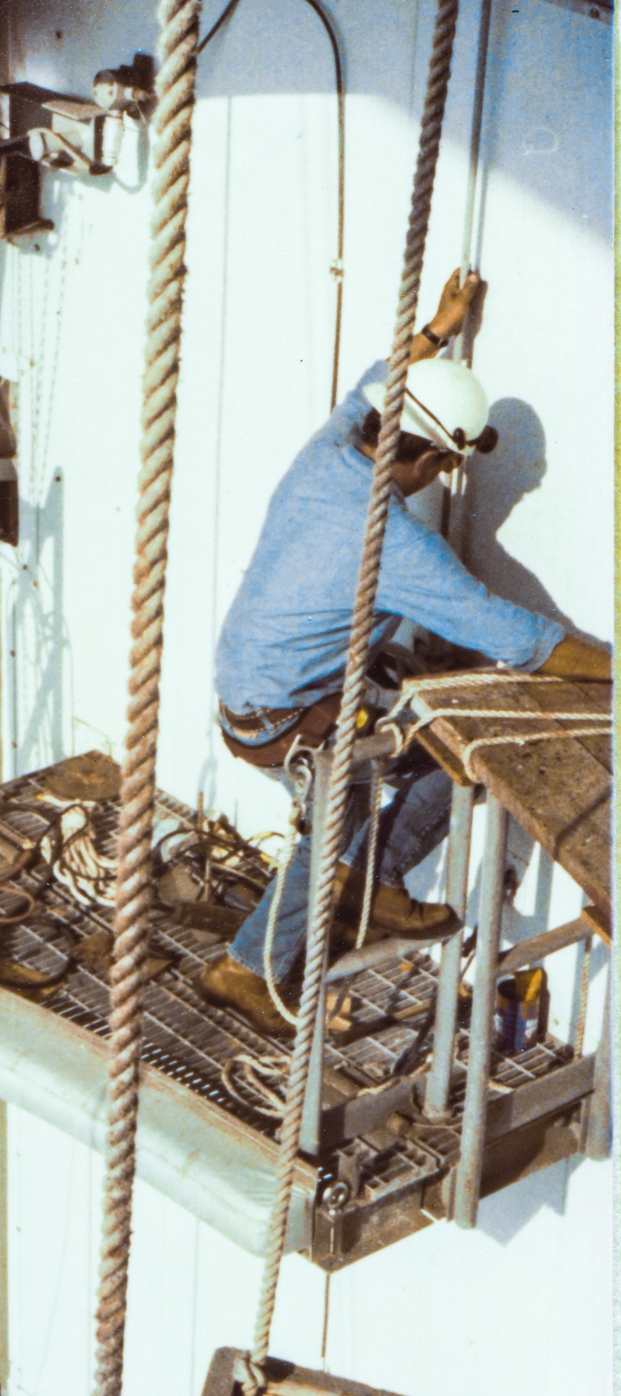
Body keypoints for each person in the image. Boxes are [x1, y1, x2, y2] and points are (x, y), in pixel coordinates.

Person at [204, 268, 610, 1037]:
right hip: (290, 721)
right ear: (432, 462)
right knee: (440, 754)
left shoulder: (329, 450)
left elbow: (371, 384)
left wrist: (436, 328)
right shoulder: (396, 542)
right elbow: (520, 638)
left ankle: (290, 935)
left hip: (246, 690)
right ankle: (352, 895)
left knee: (334, 825)